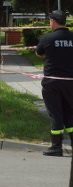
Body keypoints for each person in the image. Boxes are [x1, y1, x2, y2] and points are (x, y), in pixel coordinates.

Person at [35, 10, 73, 157]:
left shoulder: (48, 38)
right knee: (70, 113)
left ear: (53, 21)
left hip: (52, 83)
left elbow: (39, 53)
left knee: (55, 113)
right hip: (70, 82)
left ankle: (56, 147)